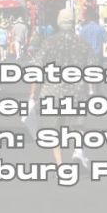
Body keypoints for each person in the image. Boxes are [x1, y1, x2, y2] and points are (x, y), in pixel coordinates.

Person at [29, 9, 93, 167]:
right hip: (77, 92)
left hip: (52, 93)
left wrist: (32, 95)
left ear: (58, 22)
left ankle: (60, 164)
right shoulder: (83, 43)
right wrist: (91, 91)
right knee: (78, 125)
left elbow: (37, 69)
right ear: (73, 23)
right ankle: (78, 151)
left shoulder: (48, 43)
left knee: (54, 129)